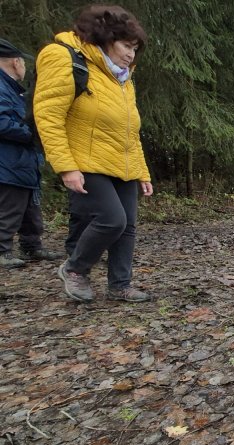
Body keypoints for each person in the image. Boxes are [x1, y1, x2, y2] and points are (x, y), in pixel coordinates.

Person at [34, 5, 153, 302]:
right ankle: (75, 269)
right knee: (112, 220)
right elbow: (48, 116)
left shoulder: (122, 78)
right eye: (126, 45)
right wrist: (65, 166)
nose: (131, 54)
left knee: (127, 227)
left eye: (135, 48)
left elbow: (130, 128)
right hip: (85, 161)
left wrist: (142, 172)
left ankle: (120, 285)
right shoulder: (64, 57)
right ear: (104, 38)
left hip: (121, 162)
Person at [0, 38, 61, 268]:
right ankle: (2, 250)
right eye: (23, 63)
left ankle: (32, 246)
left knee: (30, 209)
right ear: (16, 62)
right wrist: (35, 133)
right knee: (8, 208)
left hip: (23, 162)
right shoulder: (1, 87)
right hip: (8, 163)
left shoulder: (15, 91)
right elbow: (2, 123)